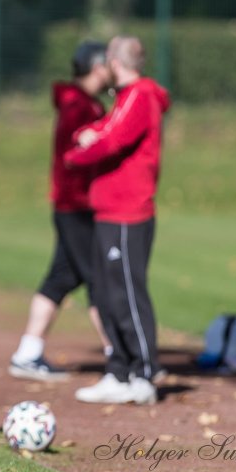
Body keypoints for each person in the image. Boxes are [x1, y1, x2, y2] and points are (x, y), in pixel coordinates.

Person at [65, 36, 170, 405]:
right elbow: (101, 131)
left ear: (114, 62)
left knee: (127, 293)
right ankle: (119, 370)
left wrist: (77, 155)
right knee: (107, 294)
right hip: (109, 210)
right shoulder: (125, 98)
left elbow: (110, 140)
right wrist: (84, 137)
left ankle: (144, 372)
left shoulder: (140, 94)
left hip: (129, 211)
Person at [9, 41, 114, 381]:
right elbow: (76, 155)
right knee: (99, 277)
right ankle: (120, 357)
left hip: (75, 205)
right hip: (76, 205)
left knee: (63, 278)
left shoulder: (83, 102)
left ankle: (28, 352)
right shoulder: (78, 105)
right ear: (98, 67)